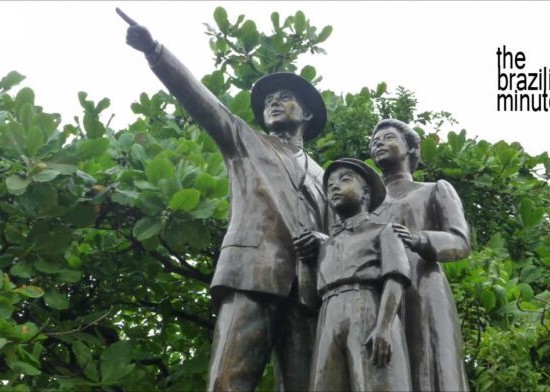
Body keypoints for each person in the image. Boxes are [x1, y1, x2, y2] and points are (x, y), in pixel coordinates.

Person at [117, 9, 330, 391]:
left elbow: (340, 232)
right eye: (270, 100)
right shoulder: (245, 142)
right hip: (252, 273)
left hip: (307, 291)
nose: (275, 103)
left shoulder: (325, 174)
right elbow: (202, 101)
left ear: (308, 112)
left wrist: (326, 245)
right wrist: (155, 51)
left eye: (286, 98)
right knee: (229, 381)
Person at [369, 118, 471, 391]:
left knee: (430, 367)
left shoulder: (435, 189)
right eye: (373, 141)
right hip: (378, 293)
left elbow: (460, 241)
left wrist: (419, 238)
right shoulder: (366, 207)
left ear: (410, 148)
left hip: (423, 287)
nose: (377, 142)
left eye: (388, 137)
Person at [309, 158, 412, 392]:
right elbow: (309, 298)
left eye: (344, 179)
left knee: (375, 382)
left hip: (367, 307)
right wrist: (305, 259)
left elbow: (395, 278)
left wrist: (383, 326)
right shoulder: (326, 245)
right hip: (328, 314)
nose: (334, 186)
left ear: (365, 192)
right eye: (330, 184)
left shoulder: (384, 230)